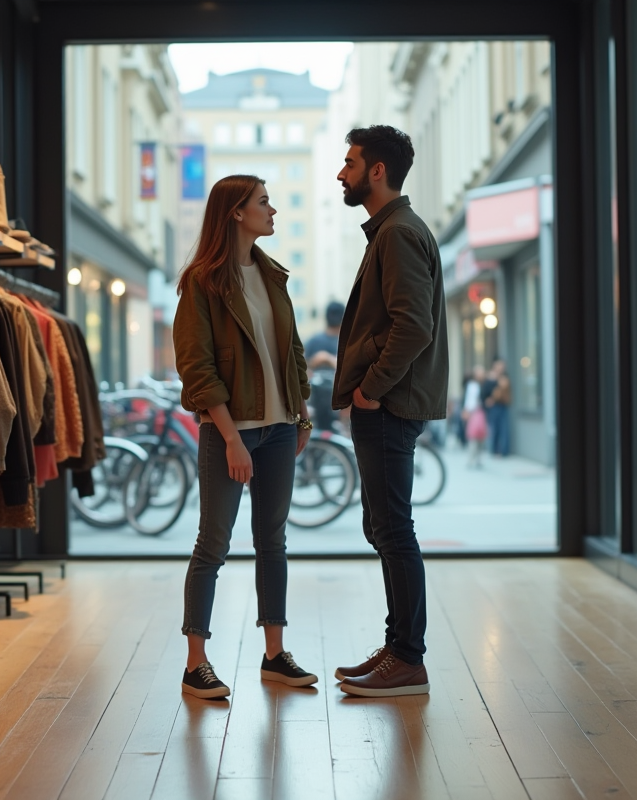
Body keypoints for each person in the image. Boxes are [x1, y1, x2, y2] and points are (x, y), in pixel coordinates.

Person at [172, 174, 317, 700]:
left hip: (280, 431)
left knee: (272, 541)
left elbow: (292, 351)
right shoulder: (202, 282)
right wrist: (232, 438)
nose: (272, 209)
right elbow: (198, 368)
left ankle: (275, 655)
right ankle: (196, 662)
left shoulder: (273, 275)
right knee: (213, 543)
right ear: (236, 212)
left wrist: (301, 414)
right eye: (263, 202)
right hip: (229, 435)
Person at [331, 125, 448, 697]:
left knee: (393, 529)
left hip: (390, 404)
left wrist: (371, 389)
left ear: (378, 171)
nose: (341, 173)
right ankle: (397, 646)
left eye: (350, 163)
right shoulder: (392, 231)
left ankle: (407, 657)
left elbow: (413, 326)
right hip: (389, 403)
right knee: (384, 527)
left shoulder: (398, 233)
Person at [304, 301, 345, 431]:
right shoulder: (348, 342)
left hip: (320, 405)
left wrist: (327, 359)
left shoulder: (313, 340)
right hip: (328, 404)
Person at [485, 359, 512, 457]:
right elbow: (485, 391)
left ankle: (504, 451)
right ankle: (494, 450)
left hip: (503, 405)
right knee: (495, 428)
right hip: (494, 406)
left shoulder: (505, 377)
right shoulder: (491, 377)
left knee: (503, 428)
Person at [463, 365, 487, 467]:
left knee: (480, 437)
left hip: (481, 413)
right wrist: (467, 411)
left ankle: (478, 459)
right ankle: (471, 459)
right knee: (473, 437)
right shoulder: (472, 385)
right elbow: (470, 400)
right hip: (475, 413)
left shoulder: (484, 384)